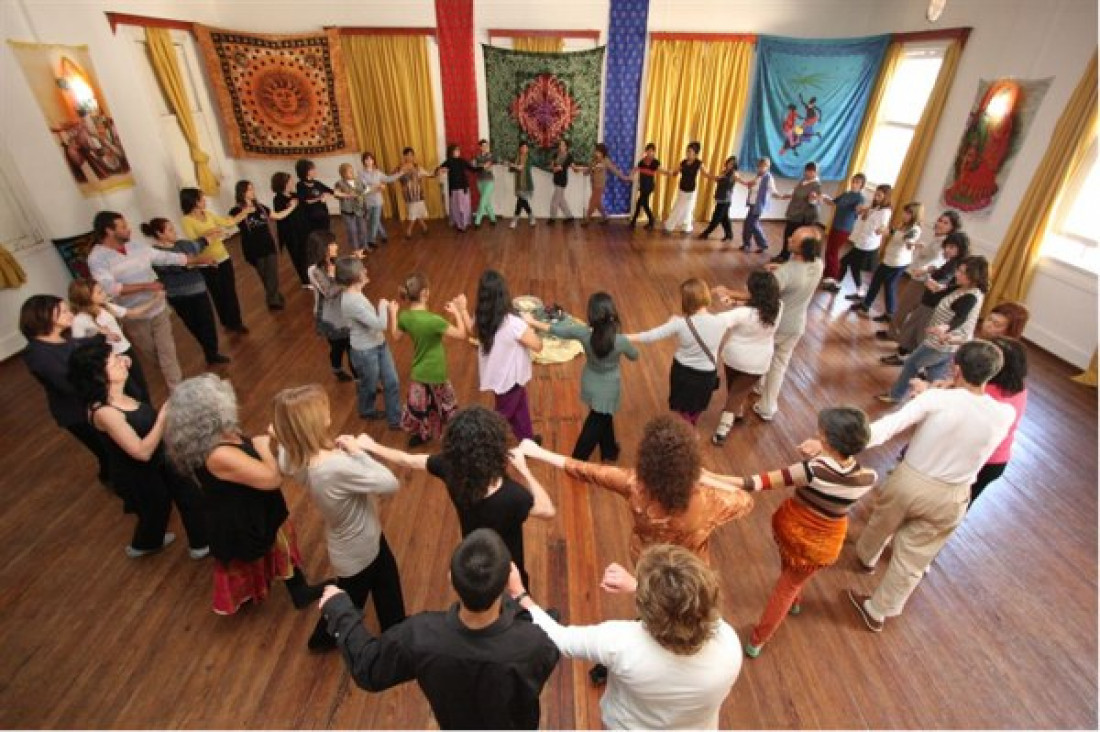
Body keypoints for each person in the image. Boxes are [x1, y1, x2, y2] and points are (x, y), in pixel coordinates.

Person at [818, 341, 1015, 631]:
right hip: (954, 494)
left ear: (956, 368)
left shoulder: (935, 399)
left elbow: (887, 428)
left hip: (912, 478)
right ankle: (878, 611)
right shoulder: (1004, 413)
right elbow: (969, 407)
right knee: (915, 558)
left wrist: (836, 443)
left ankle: (866, 557)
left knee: (882, 522)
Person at [318, 528, 560, 729]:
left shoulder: (419, 634)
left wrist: (339, 609)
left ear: (450, 579)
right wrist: (522, 596)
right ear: (507, 581)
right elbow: (553, 643)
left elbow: (368, 667)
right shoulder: (535, 642)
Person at [508, 543, 741, 730]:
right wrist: (638, 586)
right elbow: (689, 607)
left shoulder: (621, 644)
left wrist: (519, 593)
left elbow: (561, 638)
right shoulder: (729, 644)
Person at [165, 374, 324, 615]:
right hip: (242, 517)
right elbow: (271, 479)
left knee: (277, 542)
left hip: (255, 506)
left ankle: (298, 590)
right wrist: (263, 447)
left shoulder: (220, 434)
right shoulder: (216, 454)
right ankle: (282, 593)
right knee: (257, 552)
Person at [728, 408, 877, 657]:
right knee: (794, 581)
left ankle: (758, 638)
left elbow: (754, 483)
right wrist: (822, 453)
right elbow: (838, 473)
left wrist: (708, 476)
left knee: (787, 582)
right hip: (823, 543)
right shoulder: (868, 478)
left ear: (827, 439)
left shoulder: (812, 470)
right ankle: (774, 623)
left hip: (792, 527)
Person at [352, 406, 555, 588]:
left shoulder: (448, 467)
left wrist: (372, 446)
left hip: (472, 555)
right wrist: (525, 469)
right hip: (507, 565)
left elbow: (409, 460)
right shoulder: (512, 496)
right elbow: (547, 510)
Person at [272, 385, 406, 652]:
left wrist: (283, 438)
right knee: (351, 598)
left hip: (361, 539)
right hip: (357, 549)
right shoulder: (334, 466)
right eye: (323, 409)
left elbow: (285, 458)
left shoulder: (297, 456)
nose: (328, 411)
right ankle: (321, 640)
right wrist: (358, 452)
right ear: (312, 422)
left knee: (386, 578)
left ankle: (397, 626)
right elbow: (390, 483)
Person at [517, 415, 754, 566]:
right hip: (690, 568)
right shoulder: (709, 501)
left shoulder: (634, 483)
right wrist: (708, 477)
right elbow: (746, 500)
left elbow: (586, 469)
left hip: (645, 560)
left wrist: (539, 453)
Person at [68, 340, 208, 559]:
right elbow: (141, 452)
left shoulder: (120, 390)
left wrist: (120, 361)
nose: (122, 362)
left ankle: (201, 544)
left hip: (161, 457)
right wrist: (163, 417)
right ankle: (144, 545)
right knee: (156, 510)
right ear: (98, 375)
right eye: (114, 362)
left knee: (190, 495)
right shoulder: (105, 412)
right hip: (138, 472)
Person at [88, 211, 208, 389]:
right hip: (134, 316)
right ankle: (173, 379)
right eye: (123, 227)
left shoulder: (136, 246)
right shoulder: (97, 258)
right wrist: (146, 286)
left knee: (167, 353)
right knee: (153, 354)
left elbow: (167, 258)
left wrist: (196, 260)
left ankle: (178, 390)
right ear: (109, 231)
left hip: (158, 308)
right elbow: (110, 288)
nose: (129, 229)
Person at [522, 292, 638, 461]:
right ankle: (577, 459)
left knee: (604, 415)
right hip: (609, 388)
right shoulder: (620, 341)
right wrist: (627, 340)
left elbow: (557, 330)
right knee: (597, 420)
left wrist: (532, 321)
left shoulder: (583, 332)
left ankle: (609, 450)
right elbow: (635, 356)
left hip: (590, 382)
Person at [627, 278, 743, 425]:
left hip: (682, 373)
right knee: (696, 408)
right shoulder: (721, 321)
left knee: (681, 409)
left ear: (686, 301)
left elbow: (649, 336)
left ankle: (685, 431)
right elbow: (745, 311)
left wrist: (620, 337)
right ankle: (689, 429)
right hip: (706, 376)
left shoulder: (679, 324)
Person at [20, 295, 111, 484]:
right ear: (43, 317)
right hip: (79, 413)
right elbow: (71, 384)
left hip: (93, 404)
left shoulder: (63, 338)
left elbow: (80, 348)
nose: (70, 314)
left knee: (111, 450)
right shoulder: (39, 355)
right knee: (107, 452)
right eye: (63, 312)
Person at [879, 255, 989, 403]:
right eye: (958, 270)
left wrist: (945, 327)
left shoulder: (971, 297)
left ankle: (896, 395)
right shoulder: (963, 287)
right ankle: (935, 403)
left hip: (943, 342)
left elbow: (960, 317)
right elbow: (944, 291)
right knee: (936, 373)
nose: (957, 274)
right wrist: (933, 284)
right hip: (944, 342)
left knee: (912, 363)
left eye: (963, 272)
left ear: (973, 276)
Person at [459, 269, 543, 441]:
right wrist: (530, 324)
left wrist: (462, 310)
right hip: (510, 379)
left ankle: (528, 441)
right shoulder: (514, 324)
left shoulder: (482, 317)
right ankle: (482, 445)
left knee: (521, 410)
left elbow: (472, 331)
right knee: (499, 419)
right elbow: (538, 346)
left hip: (500, 378)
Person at [754, 224, 826, 421]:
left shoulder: (785, 274)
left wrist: (731, 295)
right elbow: (797, 272)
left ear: (803, 248)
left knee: (763, 357)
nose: (788, 240)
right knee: (779, 363)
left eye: (793, 240)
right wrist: (780, 268)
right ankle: (767, 405)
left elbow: (762, 296)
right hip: (797, 325)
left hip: (777, 325)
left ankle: (760, 388)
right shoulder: (818, 264)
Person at [391, 273, 467, 447]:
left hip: (418, 372)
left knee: (420, 407)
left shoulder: (405, 317)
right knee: (445, 405)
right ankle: (454, 437)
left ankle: (422, 435)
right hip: (437, 371)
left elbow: (395, 336)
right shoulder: (434, 321)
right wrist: (457, 312)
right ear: (425, 293)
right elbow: (462, 334)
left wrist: (393, 314)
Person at [143, 217, 229, 366]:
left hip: (198, 290)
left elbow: (200, 243)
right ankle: (209, 349)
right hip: (178, 296)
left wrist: (214, 233)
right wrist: (198, 261)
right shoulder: (156, 253)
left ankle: (212, 353)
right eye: (170, 230)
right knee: (193, 325)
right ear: (160, 234)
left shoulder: (183, 244)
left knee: (207, 323)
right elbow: (175, 267)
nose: (174, 231)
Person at [710, 270, 782, 444]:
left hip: (734, 357)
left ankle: (722, 430)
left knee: (734, 390)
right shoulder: (779, 306)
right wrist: (733, 301)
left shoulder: (742, 314)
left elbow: (716, 322)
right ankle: (736, 411)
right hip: (759, 361)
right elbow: (753, 305)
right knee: (740, 390)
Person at [882, 230, 970, 363]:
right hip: (929, 300)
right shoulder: (952, 261)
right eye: (947, 246)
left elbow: (946, 281)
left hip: (932, 303)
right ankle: (904, 355)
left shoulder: (956, 265)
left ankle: (907, 358)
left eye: (952, 247)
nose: (947, 249)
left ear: (960, 248)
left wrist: (935, 283)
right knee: (913, 327)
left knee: (917, 330)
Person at [877, 210, 962, 342]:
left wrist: (924, 269)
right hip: (921, 278)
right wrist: (920, 247)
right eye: (940, 220)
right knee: (909, 310)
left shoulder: (944, 241)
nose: (941, 224)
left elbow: (939, 260)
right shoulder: (939, 238)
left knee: (904, 307)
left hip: (922, 280)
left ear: (952, 227)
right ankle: (900, 336)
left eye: (946, 223)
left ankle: (894, 334)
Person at [335, 256, 400, 427]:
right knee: (369, 385)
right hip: (365, 352)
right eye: (362, 270)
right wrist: (384, 306)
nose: (366, 271)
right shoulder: (352, 301)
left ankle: (395, 419)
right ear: (354, 277)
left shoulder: (355, 292)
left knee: (391, 381)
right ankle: (366, 410)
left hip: (378, 345)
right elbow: (381, 324)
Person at [179, 188, 250, 335]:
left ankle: (236, 322)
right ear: (194, 202)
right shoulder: (187, 221)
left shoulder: (208, 214)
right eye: (202, 198)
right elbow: (194, 242)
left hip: (223, 256)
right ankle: (226, 321)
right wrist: (211, 233)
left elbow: (227, 222)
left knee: (230, 291)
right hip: (208, 262)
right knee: (218, 293)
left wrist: (244, 213)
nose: (205, 200)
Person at [68, 278, 150, 403]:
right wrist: (102, 334)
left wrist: (155, 300)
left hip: (125, 349)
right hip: (110, 358)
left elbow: (132, 312)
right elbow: (80, 345)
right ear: (86, 297)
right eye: (99, 292)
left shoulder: (105, 307)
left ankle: (149, 415)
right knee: (132, 392)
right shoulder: (80, 319)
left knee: (142, 387)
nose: (104, 293)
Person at [853, 201, 923, 321]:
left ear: (915, 215)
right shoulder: (903, 225)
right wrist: (884, 231)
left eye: (908, 213)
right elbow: (894, 233)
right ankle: (865, 305)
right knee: (875, 282)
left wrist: (911, 244)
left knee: (889, 286)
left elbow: (908, 241)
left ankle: (890, 314)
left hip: (898, 263)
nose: (904, 215)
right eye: (905, 212)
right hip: (889, 259)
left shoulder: (915, 229)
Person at [230, 179, 292, 311]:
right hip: (253, 249)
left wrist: (292, 207)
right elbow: (231, 223)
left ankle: (273, 300)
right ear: (242, 192)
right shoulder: (235, 210)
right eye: (249, 189)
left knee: (272, 273)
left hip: (268, 244)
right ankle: (274, 296)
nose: (253, 192)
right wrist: (244, 212)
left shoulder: (261, 207)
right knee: (264, 275)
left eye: (252, 188)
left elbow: (278, 216)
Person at [307, 231, 355, 382]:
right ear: (323, 248)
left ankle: (361, 378)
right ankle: (337, 368)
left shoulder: (335, 261)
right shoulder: (314, 270)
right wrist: (336, 276)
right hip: (330, 317)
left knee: (352, 346)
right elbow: (329, 292)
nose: (336, 245)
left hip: (344, 311)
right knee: (338, 346)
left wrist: (354, 260)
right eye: (332, 244)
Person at [838, 183, 892, 299]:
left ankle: (855, 290)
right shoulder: (875, 207)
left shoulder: (886, 212)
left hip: (868, 245)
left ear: (886, 197)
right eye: (876, 194)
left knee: (848, 264)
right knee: (848, 264)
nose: (876, 197)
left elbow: (882, 228)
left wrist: (881, 230)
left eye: (879, 196)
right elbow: (863, 217)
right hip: (861, 242)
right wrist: (862, 211)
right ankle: (853, 289)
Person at [819, 173, 867, 290]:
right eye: (853, 181)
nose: (854, 184)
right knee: (829, 250)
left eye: (857, 182)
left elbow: (858, 209)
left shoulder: (860, 198)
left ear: (862, 185)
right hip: (835, 225)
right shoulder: (846, 194)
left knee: (833, 252)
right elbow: (832, 203)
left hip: (844, 229)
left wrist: (861, 210)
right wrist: (822, 197)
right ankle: (827, 274)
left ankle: (833, 277)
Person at [772, 161, 821, 262]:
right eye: (807, 170)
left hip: (803, 216)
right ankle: (784, 255)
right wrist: (783, 196)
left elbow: (815, 202)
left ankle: (794, 259)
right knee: (788, 236)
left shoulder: (816, 185)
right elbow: (795, 192)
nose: (807, 173)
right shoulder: (803, 181)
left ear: (815, 173)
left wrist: (813, 199)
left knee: (797, 239)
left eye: (811, 171)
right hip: (794, 212)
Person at [575, 143, 629, 225]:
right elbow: (588, 170)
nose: (596, 153)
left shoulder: (606, 161)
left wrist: (625, 178)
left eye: (598, 151)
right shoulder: (594, 160)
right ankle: (605, 217)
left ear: (602, 152)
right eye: (596, 151)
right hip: (593, 184)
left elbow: (615, 170)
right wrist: (579, 170)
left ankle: (587, 219)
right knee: (598, 202)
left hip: (600, 185)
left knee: (592, 202)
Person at [272, 171, 310, 287]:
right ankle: (305, 281)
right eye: (290, 181)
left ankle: (311, 276)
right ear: (284, 184)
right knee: (298, 256)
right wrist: (291, 206)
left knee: (307, 254)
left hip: (303, 229)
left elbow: (304, 206)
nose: (293, 182)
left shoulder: (295, 195)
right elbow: (281, 215)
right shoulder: (278, 199)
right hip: (291, 233)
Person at [358, 152, 402, 247]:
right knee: (374, 220)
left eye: (371, 159)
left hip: (378, 201)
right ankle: (384, 235)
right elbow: (364, 187)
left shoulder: (377, 172)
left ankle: (371, 240)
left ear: (373, 161)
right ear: (363, 161)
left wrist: (400, 173)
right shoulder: (361, 173)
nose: (369, 161)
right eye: (367, 159)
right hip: (368, 201)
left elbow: (388, 179)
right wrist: (378, 186)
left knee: (374, 220)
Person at [662, 141, 706, 235]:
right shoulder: (683, 162)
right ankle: (677, 227)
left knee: (687, 209)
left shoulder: (699, 163)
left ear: (695, 153)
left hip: (691, 191)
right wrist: (669, 172)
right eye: (687, 151)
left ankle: (679, 227)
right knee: (679, 208)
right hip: (682, 190)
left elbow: (706, 174)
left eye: (690, 151)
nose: (687, 153)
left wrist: (717, 178)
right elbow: (675, 173)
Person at [740, 157, 779, 253]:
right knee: (749, 224)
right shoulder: (758, 176)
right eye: (760, 166)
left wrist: (780, 196)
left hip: (759, 205)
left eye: (763, 166)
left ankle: (760, 244)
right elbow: (753, 187)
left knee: (752, 224)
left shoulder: (768, 177)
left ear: (767, 167)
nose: (761, 168)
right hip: (753, 203)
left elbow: (773, 190)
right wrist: (749, 185)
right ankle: (748, 244)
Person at [435, 143, 477, 233]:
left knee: (464, 207)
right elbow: (437, 170)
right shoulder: (449, 161)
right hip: (454, 188)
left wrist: (483, 167)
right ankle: (459, 224)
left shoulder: (462, 161)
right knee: (456, 207)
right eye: (456, 150)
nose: (458, 151)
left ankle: (465, 223)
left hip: (464, 187)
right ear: (451, 152)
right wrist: (439, 170)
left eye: (458, 150)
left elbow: (473, 169)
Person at [394, 147, 433, 238]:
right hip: (408, 195)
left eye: (411, 155)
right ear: (404, 156)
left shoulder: (417, 167)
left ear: (413, 156)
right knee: (414, 212)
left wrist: (437, 172)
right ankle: (418, 229)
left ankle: (415, 230)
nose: (409, 157)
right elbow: (391, 176)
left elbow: (428, 174)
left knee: (415, 212)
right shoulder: (400, 167)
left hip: (418, 194)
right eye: (407, 155)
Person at [333, 163, 370, 252]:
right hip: (348, 211)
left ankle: (364, 246)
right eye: (349, 171)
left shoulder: (358, 180)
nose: (351, 172)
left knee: (363, 230)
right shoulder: (339, 183)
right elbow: (336, 194)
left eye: (351, 170)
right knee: (352, 231)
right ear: (343, 173)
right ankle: (356, 250)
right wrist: (347, 195)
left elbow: (365, 190)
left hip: (360, 209)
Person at [295, 158, 335, 234]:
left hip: (323, 215)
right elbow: (305, 201)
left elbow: (331, 191)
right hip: (310, 218)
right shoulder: (300, 185)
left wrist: (348, 194)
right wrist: (320, 198)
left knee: (325, 235)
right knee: (315, 238)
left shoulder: (317, 183)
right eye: (312, 169)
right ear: (306, 172)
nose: (315, 171)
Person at [506, 141, 537, 228]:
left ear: (528, 149)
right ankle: (531, 218)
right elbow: (511, 170)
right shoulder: (517, 157)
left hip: (526, 184)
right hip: (518, 184)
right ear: (520, 149)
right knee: (522, 201)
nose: (524, 149)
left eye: (525, 148)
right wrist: (511, 165)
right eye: (522, 147)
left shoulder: (529, 158)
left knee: (520, 202)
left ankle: (515, 220)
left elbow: (524, 167)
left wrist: (516, 166)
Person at [629, 142, 660, 229]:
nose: (650, 153)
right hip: (643, 186)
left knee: (639, 203)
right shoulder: (642, 162)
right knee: (644, 204)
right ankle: (651, 221)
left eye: (652, 151)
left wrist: (669, 172)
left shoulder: (655, 162)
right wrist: (631, 175)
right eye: (648, 151)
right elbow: (635, 169)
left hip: (649, 186)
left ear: (654, 152)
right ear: (646, 151)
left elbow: (660, 170)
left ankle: (633, 221)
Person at [545, 138, 575, 224]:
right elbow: (551, 166)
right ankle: (570, 217)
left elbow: (574, 167)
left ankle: (552, 218)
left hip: (562, 181)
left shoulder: (569, 156)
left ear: (566, 147)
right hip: (556, 179)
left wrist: (584, 169)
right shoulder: (555, 154)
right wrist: (554, 168)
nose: (560, 146)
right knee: (561, 201)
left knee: (554, 201)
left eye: (563, 145)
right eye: (560, 145)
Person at [472, 138, 499, 228]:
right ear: (480, 147)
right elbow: (473, 166)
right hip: (480, 181)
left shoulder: (491, 155)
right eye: (483, 146)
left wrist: (489, 165)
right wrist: (482, 166)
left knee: (482, 200)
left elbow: (497, 160)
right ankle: (493, 219)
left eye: (486, 145)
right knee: (486, 201)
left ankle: (477, 221)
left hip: (489, 181)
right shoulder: (477, 156)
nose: (485, 147)